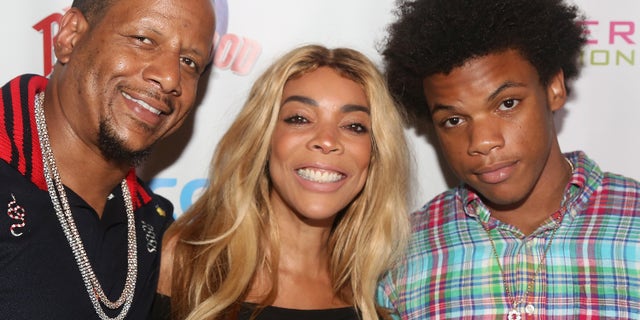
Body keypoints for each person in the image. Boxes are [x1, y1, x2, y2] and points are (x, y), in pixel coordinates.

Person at [376, 0, 640, 319]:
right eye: (454, 120)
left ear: (554, 87)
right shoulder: (401, 255)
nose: (483, 142)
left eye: (507, 103)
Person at [153, 44, 411, 320]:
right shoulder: (181, 260)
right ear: (264, 139)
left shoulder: (377, 298)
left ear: (374, 154)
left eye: (354, 126)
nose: (326, 140)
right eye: (299, 118)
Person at [0, 0, 215, 318]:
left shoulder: (155, 227)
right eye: (144, 39)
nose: (170, 78)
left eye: (189, 62)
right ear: (70, 36)